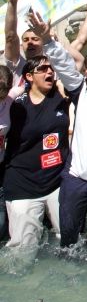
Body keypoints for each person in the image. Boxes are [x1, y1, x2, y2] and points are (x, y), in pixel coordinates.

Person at [27, 11, 87, 249]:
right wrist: (48, 40)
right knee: (68, 239)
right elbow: (64, 65)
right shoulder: (79, 90)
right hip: (75, 176)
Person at [4, 56, 71, 249]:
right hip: (23, 186)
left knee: (68, 242)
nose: (49, 72)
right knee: (24, 248)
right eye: (42, 69)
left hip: (57, 183)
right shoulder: (15, 105)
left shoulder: (61, 96)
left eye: (50, 68)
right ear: (29, 76)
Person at [4, 0, 44, 85]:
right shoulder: (17, 65)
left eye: (35, 39)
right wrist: (13, 2)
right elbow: (10, 37)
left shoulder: (53, 67)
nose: (30, 42)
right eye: (26, 40)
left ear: (43, 42)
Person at [0, 66, 24, 241]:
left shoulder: (8, 99)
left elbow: (23, 84)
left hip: (1, 165)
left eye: (4, 92)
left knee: (1, 220)